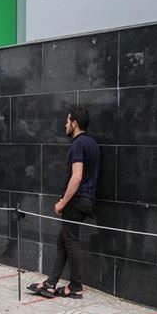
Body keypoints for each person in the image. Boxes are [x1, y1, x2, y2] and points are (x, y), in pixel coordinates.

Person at [28, 107, 100, 299]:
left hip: (76, 200)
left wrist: (62, 202)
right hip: (87, 199)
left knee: (71, 242)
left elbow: (77, 176)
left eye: (68, 121)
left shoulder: (78, 144)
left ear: (75, 123)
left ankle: (76, 285)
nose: (65, 125)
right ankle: (50, 283)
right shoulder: (92, 143)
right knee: (64, 241)